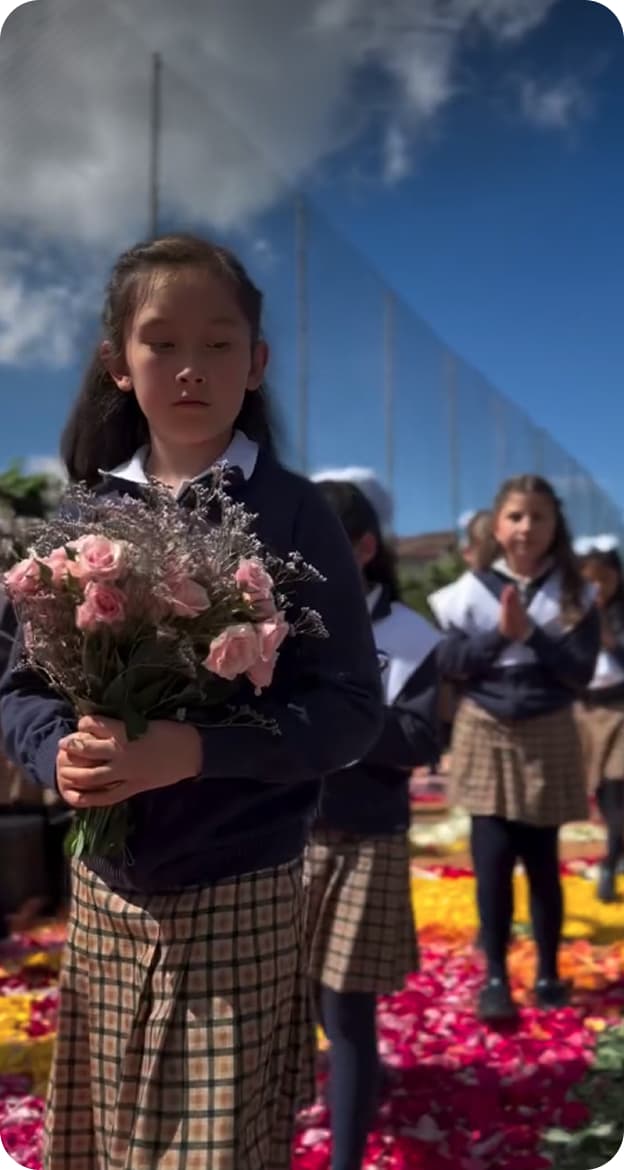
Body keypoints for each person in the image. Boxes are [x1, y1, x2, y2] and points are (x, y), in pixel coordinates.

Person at [0, 233, 383, 1170]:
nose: (189, 368)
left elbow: (349, 710)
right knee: (106, 1143)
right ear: (116, 365)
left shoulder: (296, 517)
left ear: (255, 364)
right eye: (161, 343)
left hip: (239, 886)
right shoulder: (81, 518)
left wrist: (198, 751)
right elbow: (15, 686)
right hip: (104, 894)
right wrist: (53, 750)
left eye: (218, 345)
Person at [305, 475, 440, 1170]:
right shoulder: (275, 621)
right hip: (286, 837)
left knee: (348, 1005)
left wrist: (342, 718)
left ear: (362, 548)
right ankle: (365, 1085)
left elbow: (420, 741)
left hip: (367, 839)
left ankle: (346, 1157)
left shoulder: (412, 636)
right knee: (308, 996)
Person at [436, 475, 599, 1022]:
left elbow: (580, 671)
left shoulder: (577, 595)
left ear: (556, 527)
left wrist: (531, 635)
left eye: (540, 517)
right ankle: (496, 979)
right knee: (492, 861)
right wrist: (501, 636)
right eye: (516, 517)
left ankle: (549, 971)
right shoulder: (466, 591)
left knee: (543, 862)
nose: (527, 528)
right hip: (486, 727)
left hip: (548, 724)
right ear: (498, 525)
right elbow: (451, 664)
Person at [575, 540, 624, 902]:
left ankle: (609, 863)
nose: (598, 589)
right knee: (603, 795)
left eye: (604, 580)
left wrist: (609, 639)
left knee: (617, 793)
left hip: (621, 711)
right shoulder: (572, 615)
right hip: (586, 712)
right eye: (589, 581)